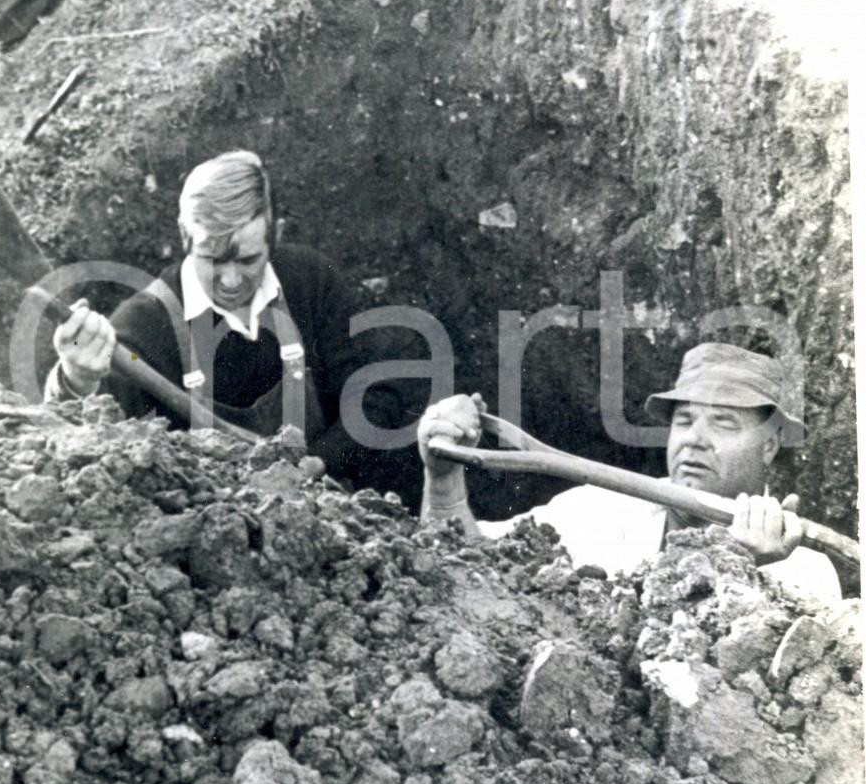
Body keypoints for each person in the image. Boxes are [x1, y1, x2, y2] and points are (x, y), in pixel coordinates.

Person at [46, 149, 402, 485]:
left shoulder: (310, 282)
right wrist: (76, 377)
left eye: (248, 260)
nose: (231, 281)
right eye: (212, 260)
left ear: (274, 234)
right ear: (184, 235)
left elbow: (375, 399)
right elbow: (78, 436)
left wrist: (319, 462)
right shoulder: (146, 324)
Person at [417, 343, 842, 603]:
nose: (694, 439)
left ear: (768, 445)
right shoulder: (599, 509)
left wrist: (739, 569)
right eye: (684, 420)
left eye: (723, 423)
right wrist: (443, 482)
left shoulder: (805, 572)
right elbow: (462, 564)